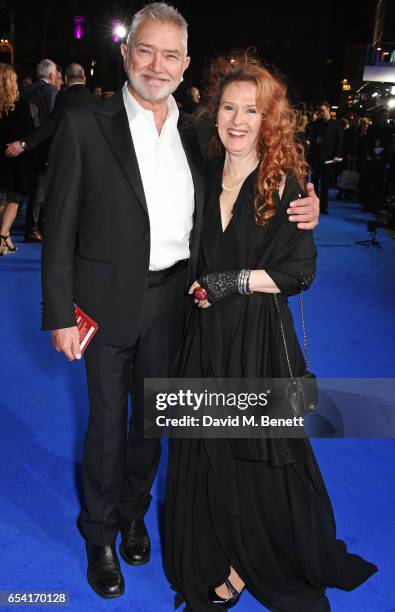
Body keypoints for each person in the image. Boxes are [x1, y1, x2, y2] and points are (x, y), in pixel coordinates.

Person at [41, 2, 319, 600]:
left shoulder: (199, 130)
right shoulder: (86, 124)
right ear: (126, 54)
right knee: (107, 424)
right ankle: (99, 537)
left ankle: (136, 514)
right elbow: (57, 226)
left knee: (153, 421)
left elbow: (259, 160)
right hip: (102, 304)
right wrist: (59, 314)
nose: (157, 65)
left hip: (178, 301)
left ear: (185, 62)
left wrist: (307, 203)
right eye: (146, 50)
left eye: (171, 54)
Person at [164, 55, 377, 611]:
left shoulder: (285, 182)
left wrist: (231, 281)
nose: (238, 120)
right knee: (207, 450)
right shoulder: (207, 170)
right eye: (229, 108)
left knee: (254, 457)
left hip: (256, 341)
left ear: (269, 119)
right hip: (204, 339)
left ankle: (243, 564)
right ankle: (218, 550)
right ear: (214, 114)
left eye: (251, 111)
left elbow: (299, 272)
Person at [6, 64, 96, 159]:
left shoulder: (64, 97)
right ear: (84, 78)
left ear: (65, 79)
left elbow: (52, 124)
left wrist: (24, 143)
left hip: (69, 155)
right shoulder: (96, 100)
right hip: (92, 155)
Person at [21, 58, 59, 242]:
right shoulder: (51, 92)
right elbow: (51, 121)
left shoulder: (25, 90)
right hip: (43, 145)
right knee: (41, 189)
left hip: (23, 143)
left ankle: (29, 224)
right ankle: (34, 227)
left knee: (28, 188)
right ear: (52, 75)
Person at [0, 64, 34, 255]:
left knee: (2, 199)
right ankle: (3, 235)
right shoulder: (19, 103)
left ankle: (6, 239)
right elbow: (29, 130)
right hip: (14, 156)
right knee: (13, 199)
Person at [310, 101, 343, 214]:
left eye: (322, 110)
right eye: (319, 110)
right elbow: (310, 136)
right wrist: (313, 120)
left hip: (328, 159)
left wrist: (336, 156)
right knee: (314, 184)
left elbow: (339, 141)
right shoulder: (317, 123)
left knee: (325, 184)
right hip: (316, 158)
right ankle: (314, 206)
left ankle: (323, 207)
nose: (321, 113)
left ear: (328, 109)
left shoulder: (336, 123)